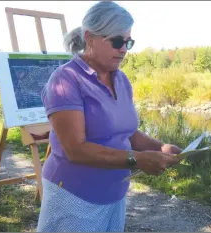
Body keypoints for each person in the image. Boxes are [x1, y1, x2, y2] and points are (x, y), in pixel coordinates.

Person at [36, 1, 183, 232]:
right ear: (90, 38)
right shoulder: (66, 80)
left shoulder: (121, 79)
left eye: (128, 42)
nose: (123, 49)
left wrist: (161, 147)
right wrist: (138, 159)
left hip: (114, 193)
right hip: (74, 196)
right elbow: (76, 149)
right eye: (116, 41)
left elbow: (128, 132)